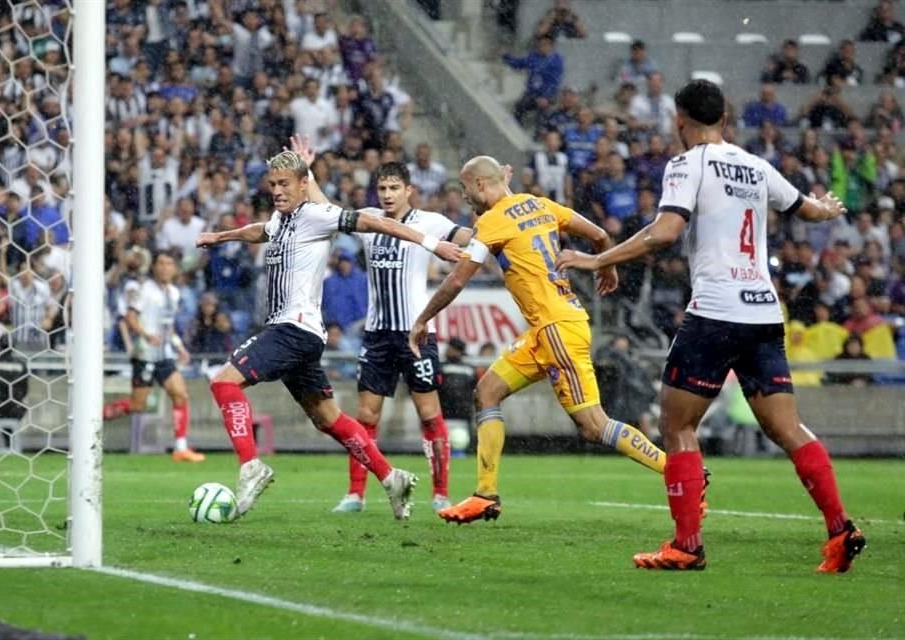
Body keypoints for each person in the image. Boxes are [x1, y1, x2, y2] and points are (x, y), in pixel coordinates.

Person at [556, 79, 866, 572]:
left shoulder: (687, 163)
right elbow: (805, 209)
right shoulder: (755, 165)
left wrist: (597, 260)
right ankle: (839, 527)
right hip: (764, 312)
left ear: (680, 121)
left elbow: (665, 231)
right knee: (787, 428)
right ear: (724, 118)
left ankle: (687, 545)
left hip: (716, 311)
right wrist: (826, 207)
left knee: (677, 425)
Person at [194, 148, 462, 519]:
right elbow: (261, 231)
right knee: (328, 419)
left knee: (224, 382)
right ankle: (391, 477)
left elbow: (380, 224)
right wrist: (221, 236)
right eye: (272, 184)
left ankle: (250, 465)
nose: (277, 191)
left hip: (293, 328)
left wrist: (431, 244)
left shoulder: (319, 216)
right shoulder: (280, 219)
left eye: (284, 184)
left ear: (304, 184)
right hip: (300, 334)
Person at [409, 155, 671, 525]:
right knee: (487, 392)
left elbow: (455, 280)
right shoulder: (540, 204)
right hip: (546, 330)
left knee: (594, 425)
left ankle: (679, 474)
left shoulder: (492, 222)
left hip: (556, 329)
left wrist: (422, 319)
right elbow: (598, 235)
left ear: (482, 185)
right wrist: (606, 264)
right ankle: (485, 494)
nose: (465, 198)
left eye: (466, 189)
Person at [315, 161, 474, 514]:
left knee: (430, 414)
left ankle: (440, 494)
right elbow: (325, 210)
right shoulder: (369, 218)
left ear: (408, 191)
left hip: (416, 334)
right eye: (382, 189)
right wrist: (307, 174)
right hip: (377, 336)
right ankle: (356, 494)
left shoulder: (430, 222)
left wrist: (492, 215)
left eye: (393, 189)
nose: (387, 195)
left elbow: (468, 236)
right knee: (366, 417)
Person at [101, 251, 205, 463]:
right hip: (145, 354)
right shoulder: (143, 290)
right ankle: (95, 417)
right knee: (137, 405)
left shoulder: (174, 293)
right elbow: (129, 317)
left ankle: (181, 448)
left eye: (169, 263)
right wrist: (145, 334)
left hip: (164, 355)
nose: (165, 267)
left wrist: (179, 347)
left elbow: (168, 327)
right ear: (154, 267)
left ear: (174, 269)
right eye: (161, 263)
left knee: (180, 394)